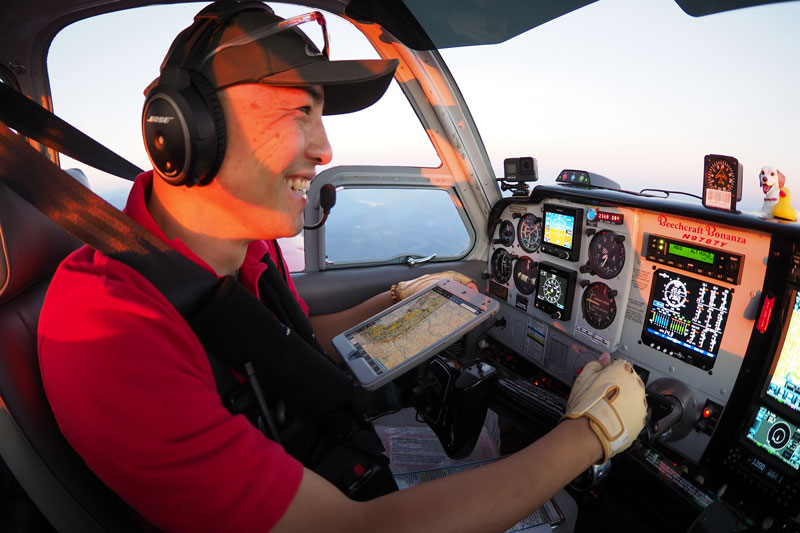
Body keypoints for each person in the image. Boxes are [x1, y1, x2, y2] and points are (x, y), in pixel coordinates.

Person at [38, 2, 648, 531]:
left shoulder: (244, 245)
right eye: (298, 112)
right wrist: (590, 433)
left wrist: (403, 297)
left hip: (326, 458)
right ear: (186, 130)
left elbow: (298, 342)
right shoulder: (108, 328)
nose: (326, 148)